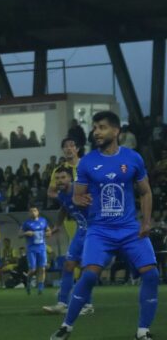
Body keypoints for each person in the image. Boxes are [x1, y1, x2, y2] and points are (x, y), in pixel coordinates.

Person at [51, 111, 159, 340]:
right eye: (95, 128)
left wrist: (146, 222)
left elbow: (146, 192)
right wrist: (78, 199)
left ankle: (143, 332)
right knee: (89, 276)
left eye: (101, 127)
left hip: (130, 229)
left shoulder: (133, 158)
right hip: (99, 231)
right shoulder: (88, 162)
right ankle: (66, 327)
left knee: (151, 275)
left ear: (116, 131)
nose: (96, 132)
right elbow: (77, 196)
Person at [42, 167, 95, 316]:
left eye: (63, 177)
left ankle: (88, 304)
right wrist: (57, 226)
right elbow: (63, 209)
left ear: (70, 178)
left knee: (86, 267)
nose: (59, 181)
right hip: (81, 231)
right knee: (68, 264)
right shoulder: (62, 195)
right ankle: (62, 303)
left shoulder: (80, 191)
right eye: (57, 178)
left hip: (93, 232)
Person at [20, 206, 51, 295]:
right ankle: (28, 282)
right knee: (33, 269)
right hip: (31, 248)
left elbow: (48, 230)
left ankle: (40, 287)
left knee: (42, 268)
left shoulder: (43, 221)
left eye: (35, 210)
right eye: (31, 211)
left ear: (38, 212)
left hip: (42, 248)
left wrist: (48, 233)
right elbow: (19, 234)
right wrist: (26, 233)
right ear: (29, 213)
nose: (33, 212)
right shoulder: (26, 223)